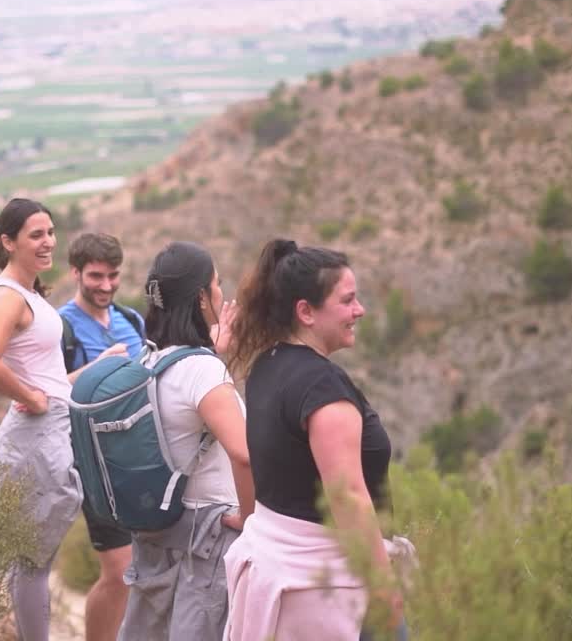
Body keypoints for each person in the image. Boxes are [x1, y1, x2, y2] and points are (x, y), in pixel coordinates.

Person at [222, 239, 404, 641]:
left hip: (286, 575)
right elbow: (348, 497)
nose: (360, 311)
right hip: (328, 587)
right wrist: (383, 585)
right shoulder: (322, 387)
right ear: (305, 311)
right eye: (348, 301)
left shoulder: (267, 365)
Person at [118, 241, 254, 641]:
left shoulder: (148, 360)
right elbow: (244, 455)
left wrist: (215, 352)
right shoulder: (201, 371)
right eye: (217, 285)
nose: (221, 294)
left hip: (159, 531)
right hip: (208, 533)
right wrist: (251, 520)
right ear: (200, 298)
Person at [0, 198, 82, 641]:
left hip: (48, 428)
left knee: (38, 558)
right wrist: (31, 398)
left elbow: (48, 379)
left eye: (51, 232)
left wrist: (97, 371)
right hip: (34, 438)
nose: (48, 242)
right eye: (36, 235)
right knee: (33, 562)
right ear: (8, 241)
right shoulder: (8, 298)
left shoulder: (29, 295)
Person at [56, 232, 143, 641]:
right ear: (75, 272)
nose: (106, 285)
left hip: (140, 461)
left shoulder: (133, 321)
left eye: (113, 276)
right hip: (93, 464)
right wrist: (98, 371)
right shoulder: (60, 328)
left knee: (145, 569)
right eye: (95, 276)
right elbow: (44, 394)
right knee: (120, 572)